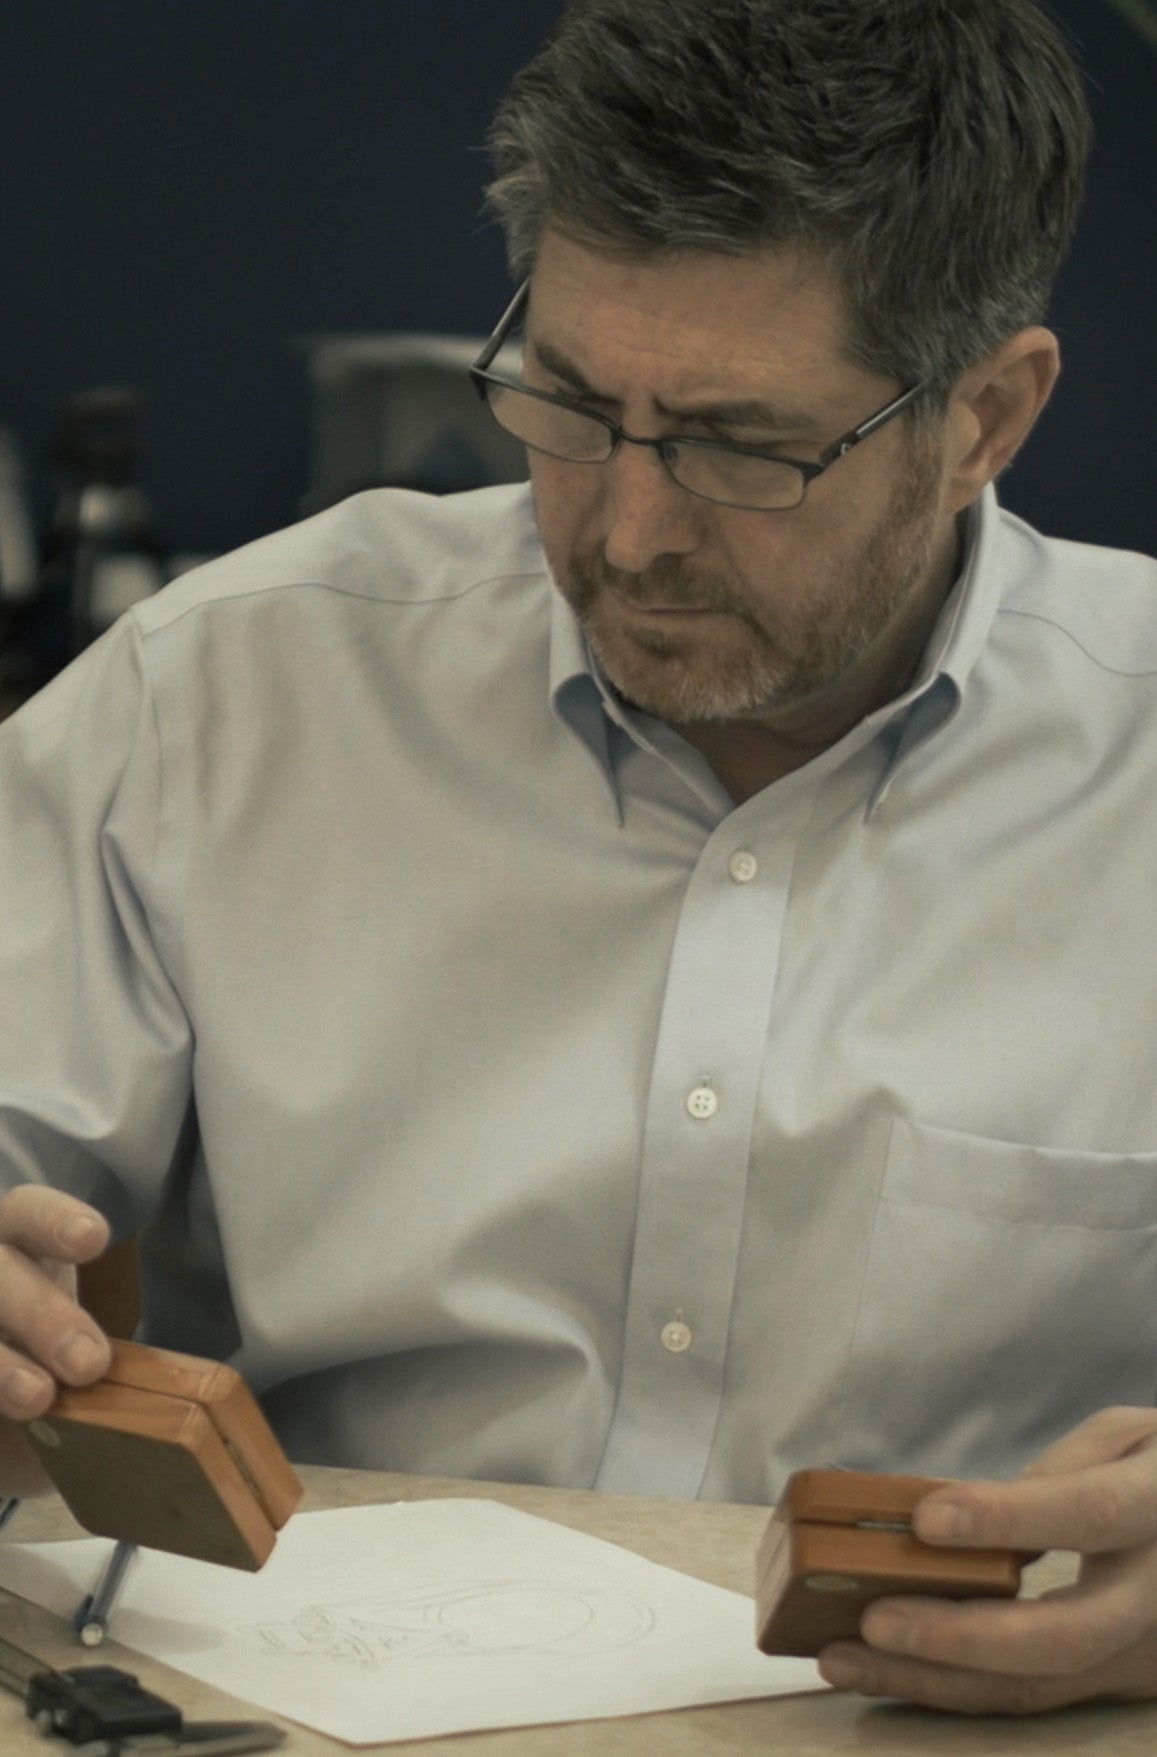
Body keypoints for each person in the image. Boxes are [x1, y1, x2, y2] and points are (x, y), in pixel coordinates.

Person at [1, 0, 1155, 1717]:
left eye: (739, 445)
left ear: (986, 414)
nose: (622, 529)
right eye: (566, 401)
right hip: (291, 1701)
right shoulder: (226, 693)